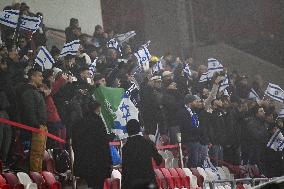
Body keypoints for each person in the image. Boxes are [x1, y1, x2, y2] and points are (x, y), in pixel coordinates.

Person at [73, 100, 112, 189]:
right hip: (98, 161)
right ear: (98, 109)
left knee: (90, 183)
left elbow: (75, 142)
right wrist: (109, 161)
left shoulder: (79, 123)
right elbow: (103, 143)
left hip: (84, 161)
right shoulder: (98, 122)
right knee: (98, 184)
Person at [122, 119, 163, 189]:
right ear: (139, 129)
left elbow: (125, 169)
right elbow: (159, 160)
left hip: (133, 183)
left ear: (128, 131)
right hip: (149, 182)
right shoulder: (148, 143)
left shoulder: (125, 148)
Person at [20, 68, 47, 172]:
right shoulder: (28, 91)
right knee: (36, 153)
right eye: (40, 76)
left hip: (42, 126)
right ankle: (36, 177)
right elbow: (29, 109)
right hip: (37, 127)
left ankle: (39, 174)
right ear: (32, 77)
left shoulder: (35, 91)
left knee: (40, 153)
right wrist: (36, 125)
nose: (42, 78)